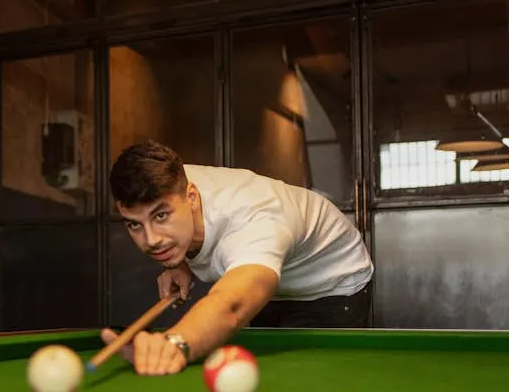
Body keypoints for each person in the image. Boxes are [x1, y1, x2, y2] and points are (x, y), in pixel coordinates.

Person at [104, 140, 373, 376]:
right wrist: (180, 260)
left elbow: (230, 306)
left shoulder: (255, 219)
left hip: (331, 283)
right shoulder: (168, 180)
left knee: (305, 380)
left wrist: (174, 343)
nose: (151, 240)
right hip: (272, 282)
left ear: (192, 197)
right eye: (134, 225)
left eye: (161, 216)